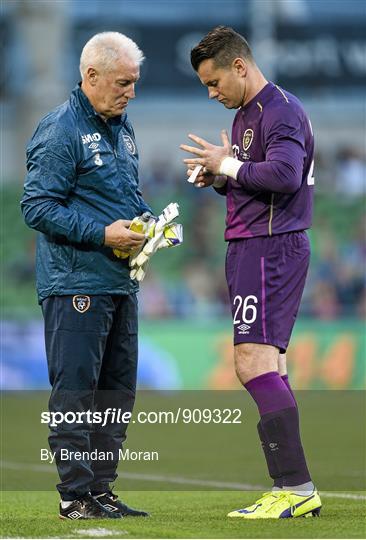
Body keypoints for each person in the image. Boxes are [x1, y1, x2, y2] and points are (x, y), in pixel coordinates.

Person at [180, 26, 321, 519]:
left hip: (270, 247)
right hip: (253, 245)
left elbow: (284, 175)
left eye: (214, 82)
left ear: (239, 66)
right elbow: (253, 181)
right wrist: (222, 174)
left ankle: (295, 487)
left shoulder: (280, 111)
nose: (212, 93)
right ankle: (294, 486)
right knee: (268, 365)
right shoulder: (247, 114)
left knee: (251, 362)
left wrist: (230, 164)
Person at [21, 32, 151, 520]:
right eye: (123, 83)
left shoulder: (124, 129)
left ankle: (101, 488)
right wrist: (102, 234)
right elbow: (35, 206)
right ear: (90, 76)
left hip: (119, 282)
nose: (130, 93)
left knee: (117, 392)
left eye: (134, 83)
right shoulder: (60, 130)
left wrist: (151, 225)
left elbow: (125, 198)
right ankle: (74, 494)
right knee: (77, 391)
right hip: (75, 282)